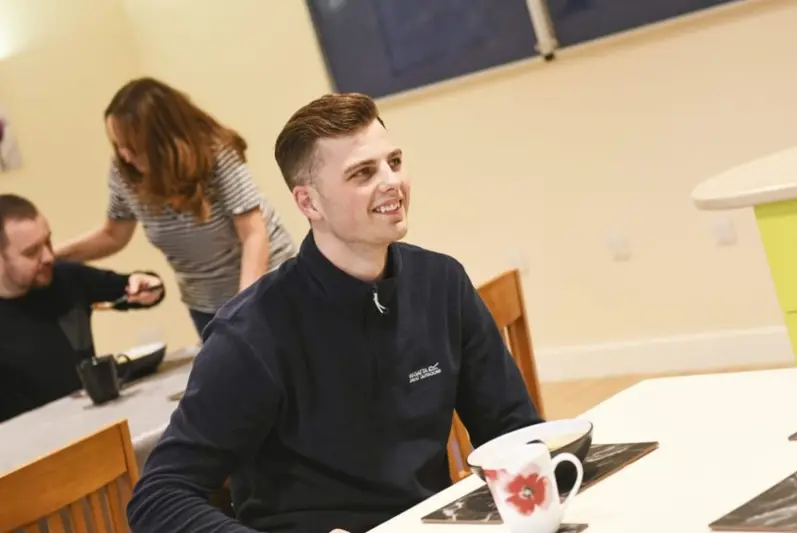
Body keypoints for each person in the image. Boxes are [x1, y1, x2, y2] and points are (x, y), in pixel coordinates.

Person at [126, 93, 543, 533]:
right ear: (309, 203)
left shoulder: (442, 282)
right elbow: (159, 498)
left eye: (394, 162)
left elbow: (513, 430)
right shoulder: (249, 335)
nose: (392, 182)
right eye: (363, 173)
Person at [54, 77, 296, 335]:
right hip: (204, 301)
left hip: (266, 284)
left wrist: (242, 307)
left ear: (162, 141)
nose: (124, 155)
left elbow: (254, 235)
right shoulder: (124, 172)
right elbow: (114, 235)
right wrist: (50, 257)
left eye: (132, 146)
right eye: (118, 145)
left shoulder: (215, 154)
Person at [0, 194, 164, 423]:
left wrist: (149, 285)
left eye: (48, 242)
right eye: (31, 252)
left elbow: (137, 288)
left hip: (94, 423)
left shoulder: (66, 278)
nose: (48, 256)